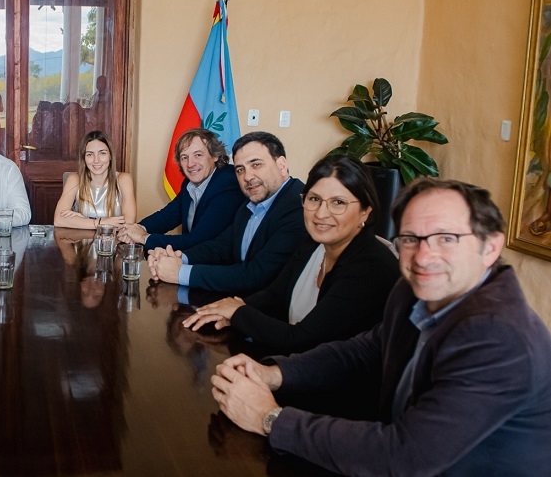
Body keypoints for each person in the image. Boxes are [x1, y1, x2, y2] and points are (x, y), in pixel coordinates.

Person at [210, 178, 551, 475]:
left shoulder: (500, 337)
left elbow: (406, 455)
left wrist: (270, 418)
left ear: (490, 247)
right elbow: (365, 351)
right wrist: (273, 373)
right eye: (410, 239)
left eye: (446, 238)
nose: (423, 256)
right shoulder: (414, 289)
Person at [183, 156, 399, 354]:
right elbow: (274, 295)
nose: (321, 213)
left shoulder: (371, 267)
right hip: (295, 366)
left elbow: (302, 339)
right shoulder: (313, 243)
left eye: (338, 202)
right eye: (314, 199)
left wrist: (238, 312)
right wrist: (232, 308)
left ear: (365, 211)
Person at [147, 131, 307, 295]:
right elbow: (221, 247)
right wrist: (179, 257)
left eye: (256, 165)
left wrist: (180, 273)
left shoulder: (299, 206)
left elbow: (255, 275)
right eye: (240, 169)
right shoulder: (252, 202)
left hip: (265, 306)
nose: (247, 177)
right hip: (237, 300)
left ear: (281, 165)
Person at [118, 128, 245, 250]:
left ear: (215, 156)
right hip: (193, 259)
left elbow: (198, 240)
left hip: (217, 263)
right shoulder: (190, 183)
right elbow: (167, 217)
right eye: (184, 157)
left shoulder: (227, 184)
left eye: (198, 155)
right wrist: (136, 229)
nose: (190, 164)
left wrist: (144, 237)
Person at [53, 130, 136, 229]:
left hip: (112, 239)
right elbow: (58, 220)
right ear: (84, 158)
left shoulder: (124, 179)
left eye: (102, 153)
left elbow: (128, 222)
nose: (96, 160)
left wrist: (82, 221)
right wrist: (101, 222)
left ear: (110, 156)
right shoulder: (74, 179)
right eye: (90, 154)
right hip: (80, 238)